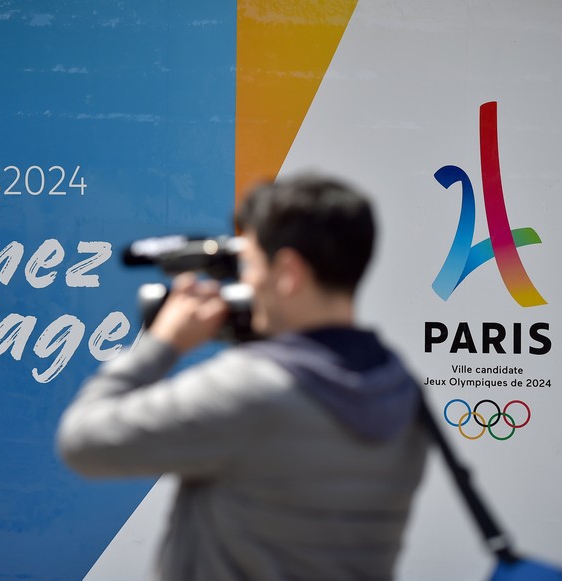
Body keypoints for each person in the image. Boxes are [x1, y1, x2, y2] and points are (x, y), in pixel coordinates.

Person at [56, 174, 428, 581]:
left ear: (288, 272)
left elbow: (83, 439)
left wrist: (162, 342)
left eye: (249, 264)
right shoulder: (399, 388)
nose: (244, 283)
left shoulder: (251, 389)